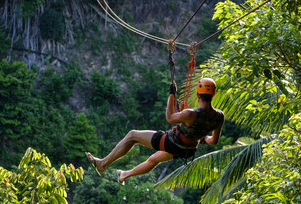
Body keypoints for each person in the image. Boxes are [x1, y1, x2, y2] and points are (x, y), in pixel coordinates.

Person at [86, 78, 224, 185]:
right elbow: (214, 141)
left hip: (172, 143)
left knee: (132, 135)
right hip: (187, 150)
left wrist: (172, 95)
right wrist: (200, 136)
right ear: (213, 95)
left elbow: (170, 118)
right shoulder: (219, 116)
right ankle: (124, 175)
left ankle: (102, 164)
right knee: (153, 160)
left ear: (198, 95)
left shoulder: (190, 114)